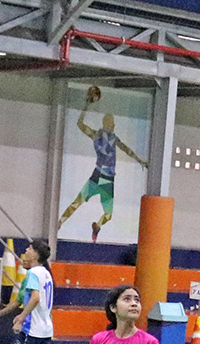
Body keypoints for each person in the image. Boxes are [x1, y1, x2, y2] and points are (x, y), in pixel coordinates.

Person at [59, 86, 148, 241]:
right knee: (106, 213)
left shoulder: (100, 135)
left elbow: (80, 124)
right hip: (105, 178)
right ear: (109, 124)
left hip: (100, 176)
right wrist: (140, 160)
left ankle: (65, 222)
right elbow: (126, 150)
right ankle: (91, 224)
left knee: (80, 203)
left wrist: (86, 105)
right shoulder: (107, 137)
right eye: (112, 123)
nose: (113, 125)